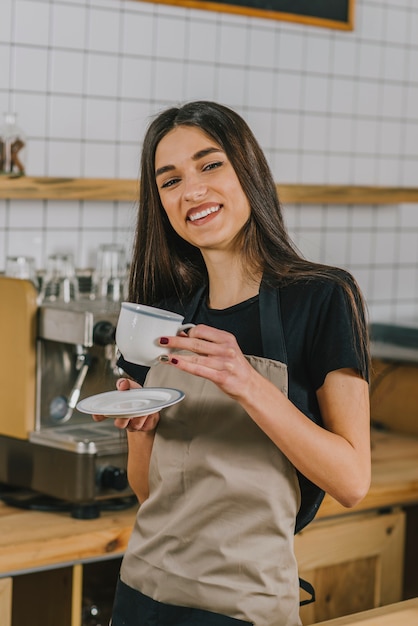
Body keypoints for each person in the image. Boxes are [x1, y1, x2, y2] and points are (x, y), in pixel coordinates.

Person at [93, 100, 371, 626]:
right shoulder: (163, 315)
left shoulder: (322, 297)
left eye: (209, 164)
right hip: (143, 591)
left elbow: (352, 480)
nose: (192, 190)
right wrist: (140, 429)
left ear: (248, 169)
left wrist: (246, 381)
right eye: (169, 181)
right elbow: (150, 492)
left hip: (242, 606)